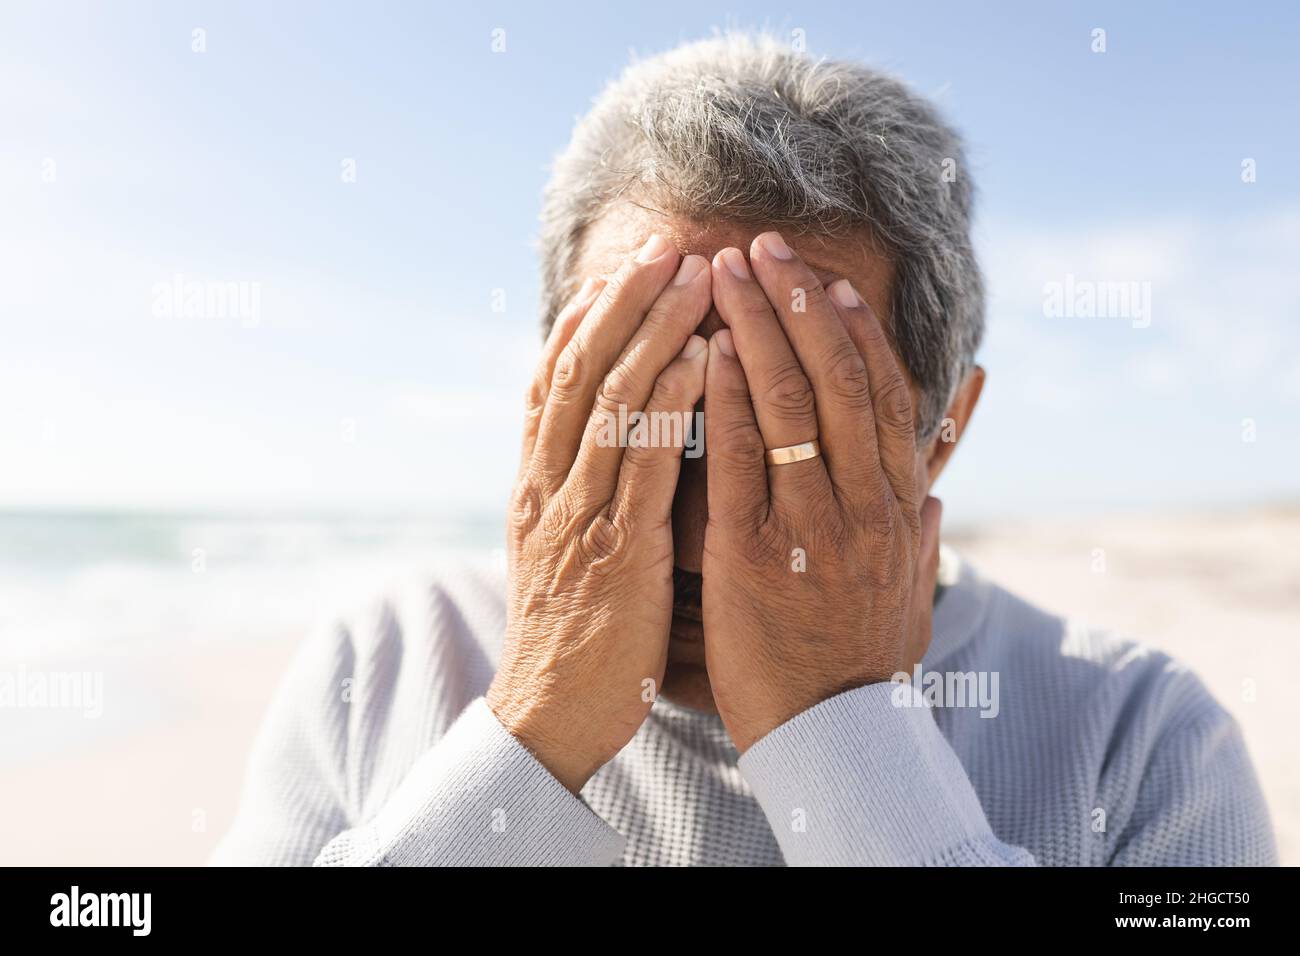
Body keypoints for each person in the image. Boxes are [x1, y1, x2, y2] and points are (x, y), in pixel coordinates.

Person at [212, 34, 1275, 867]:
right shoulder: (389, 660)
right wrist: (533, 725)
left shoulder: (1142, 743)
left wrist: (842, 732)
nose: (689, 540)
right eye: (644, 410)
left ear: (941, 431)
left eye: (780, 435)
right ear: (551, 394)